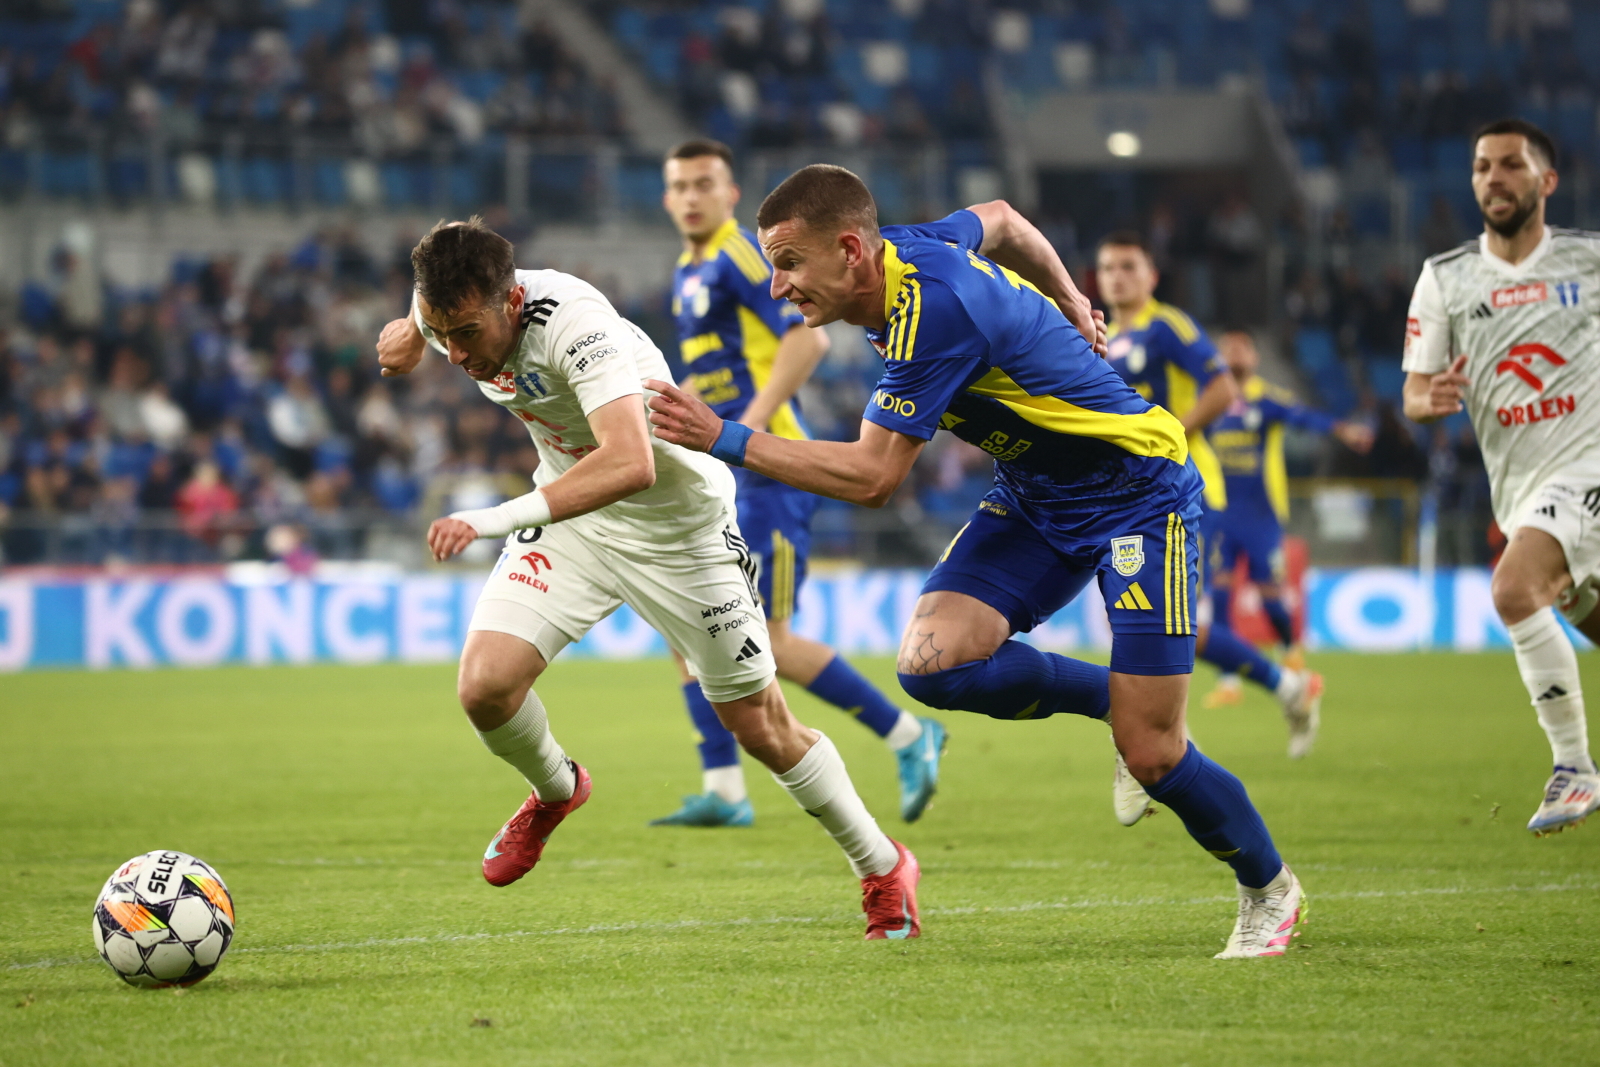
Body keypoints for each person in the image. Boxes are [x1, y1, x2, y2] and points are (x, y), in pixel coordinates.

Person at [646, 165, 1306, 959]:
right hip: (1035, 495)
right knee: (932, 665)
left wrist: (722, 436)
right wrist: (1067, 295)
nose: (778, 284)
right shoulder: (912, 250)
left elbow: (874, 476)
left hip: (1138, 493)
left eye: (788, 262)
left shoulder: (934, 312)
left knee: (1157, 753)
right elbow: (1000, 219)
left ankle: (1269, 887)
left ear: (852, 250)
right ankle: (1117, 703)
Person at [374, 218, 921, 939]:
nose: (461, 353)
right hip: (579, 520)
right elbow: (430, 305)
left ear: (510, 302)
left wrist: (493, 518)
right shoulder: (454, 308)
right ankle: (557, 790)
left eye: (468, 332)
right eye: (447, 335)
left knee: (761, 727)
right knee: (484, 685)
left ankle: (883, 866)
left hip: (679, 531)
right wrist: (415, 332)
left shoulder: (577, 327)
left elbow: (632, 461)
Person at [655, 138, 946, 828]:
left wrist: (741, 437)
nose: (692, 196)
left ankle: (909, 734)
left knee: (768, 640)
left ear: (730, 195)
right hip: (721, 471)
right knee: (685, 620)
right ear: (666, 197)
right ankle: (723, 785)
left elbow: (806, 340)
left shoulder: (740, 253)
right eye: (680, 186)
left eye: (705, 184)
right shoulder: (688, 267)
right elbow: (714, 372)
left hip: (767, 471)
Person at [1402, 118, 1600, 836]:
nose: (1494, 178)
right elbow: (1415, 393)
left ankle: (1574, 765)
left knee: (1514, 589)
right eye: (1483, 166)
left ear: (1546, 181)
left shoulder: (1588, 260)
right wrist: (1433, 400)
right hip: (1518, 486)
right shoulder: (1446, 277)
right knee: (1582, 612)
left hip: (1589, 466)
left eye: (1511, 165)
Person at [1097, 235, 1323, 822]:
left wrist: (1166, 434)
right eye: (1106, 268)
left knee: (1163, 624)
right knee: (1162, 625)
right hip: (1128, 496)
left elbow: (1223, 388)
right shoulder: (1103, 337)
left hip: (1190, 491)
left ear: (1151, 273)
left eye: (1128, 266)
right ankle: (1278, 693)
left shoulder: (1167, 327)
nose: (1116, 276)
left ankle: (1149, 747)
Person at [1204, 330, 1374, 748]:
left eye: (1242, 347)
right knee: (1220, 595)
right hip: (1218, 513)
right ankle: (1229, 680)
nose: (1235, 353)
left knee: (1269, 596)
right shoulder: (1210, 400)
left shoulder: (1268, 398)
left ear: (1256, 356)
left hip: (1261, 517)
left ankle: (1289, 650)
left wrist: (1341, 429)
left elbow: (1304, 418)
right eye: (1228, 347)